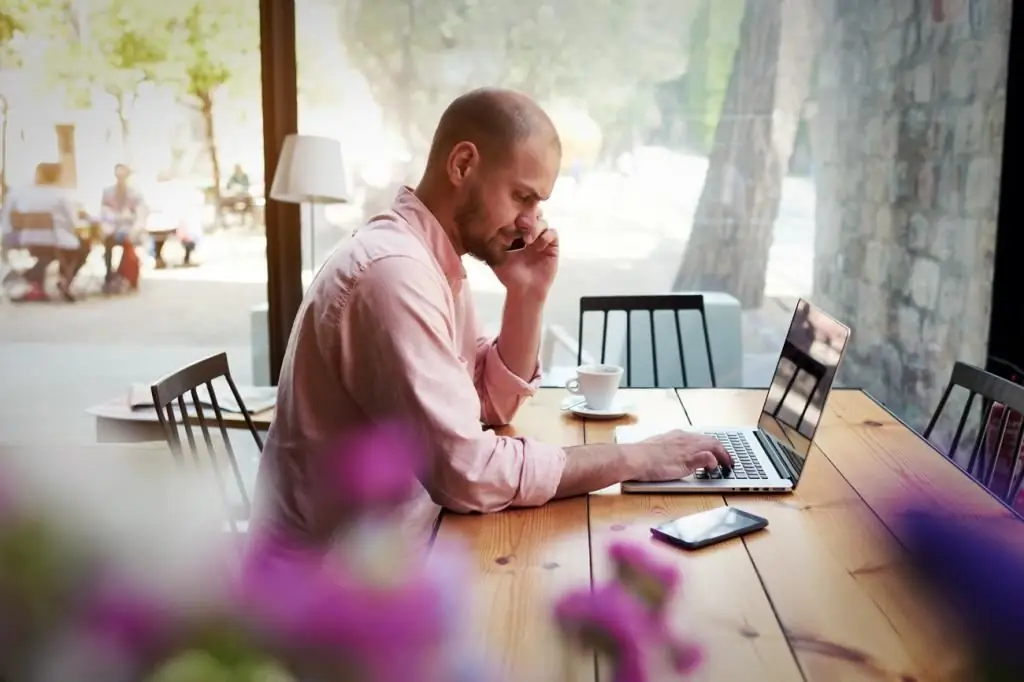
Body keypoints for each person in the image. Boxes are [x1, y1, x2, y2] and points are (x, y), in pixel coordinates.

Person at [251, 88, 731, 549]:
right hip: (328, 603)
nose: (530, 222)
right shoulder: (394, 276)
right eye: (523, 197)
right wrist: (636, 457)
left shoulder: (430, 261)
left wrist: (526, 295)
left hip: (404, 552)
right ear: (462, 164)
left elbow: (486, 404)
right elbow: (466, 472)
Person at [0, 162, 91, 302]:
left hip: (28, 240)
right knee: (83, 246)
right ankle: (65, 280)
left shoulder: (25, 194)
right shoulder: (61, 195)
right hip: (54, 241)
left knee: (51, 254)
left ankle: (34, 280)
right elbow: (73, 222)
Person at [99, 163, 145, 291]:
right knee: (108, 241)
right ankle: (109, 275)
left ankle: (123, 275)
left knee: (126, 240)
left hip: (129, 229)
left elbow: (140, 215)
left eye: (123, 175)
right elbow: (104, 211)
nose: (120, 178)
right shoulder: (108, 192)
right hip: (111, 227)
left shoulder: (135, 193)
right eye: (118, 175)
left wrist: (135, 229)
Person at [145, 170, 203, 268]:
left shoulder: (152, 191)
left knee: (158, 231)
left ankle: (158, 257)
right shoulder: (174, 191)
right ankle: (187, 257)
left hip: (154, 226)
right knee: (189, 228)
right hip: (170, 225)